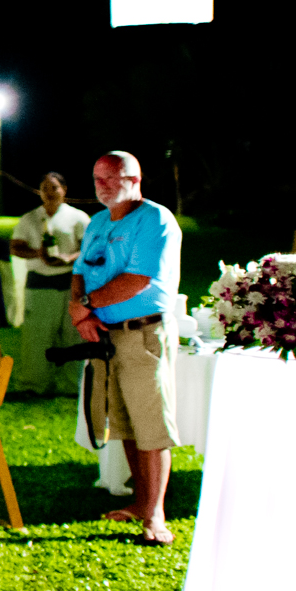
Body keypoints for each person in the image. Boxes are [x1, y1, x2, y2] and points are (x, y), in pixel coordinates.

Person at [69, 151, 182, 546]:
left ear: (135, 180)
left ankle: (155, 516)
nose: (102, 187)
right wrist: (80, 311)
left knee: (151, 425)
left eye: (111, 179)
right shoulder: (97, 222)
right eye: (97, 179)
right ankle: (140, 500)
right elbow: (80, 272)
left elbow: (138, 279)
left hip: (142, 333)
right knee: (125, 423)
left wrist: (85, 306)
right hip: (107, 335)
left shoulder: (155, 219)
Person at [10, 172, 91, 396]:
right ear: (39, 192)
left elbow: (89, 248)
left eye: (54, 187)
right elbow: (15, 247)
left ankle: (74, 385)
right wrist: (38, 253)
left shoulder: (78, 218)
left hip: (70, 282)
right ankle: (34, 384)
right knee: (37, 337)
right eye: (45, 188)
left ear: (64, 190)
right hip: (40, 282)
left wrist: (69, 258)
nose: (49, 192)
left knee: (73, 335)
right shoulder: (29, 219)